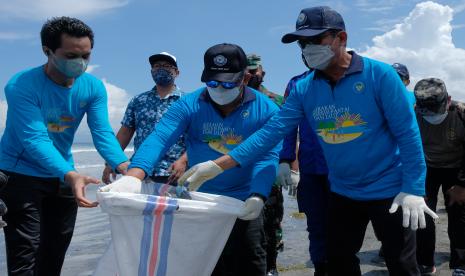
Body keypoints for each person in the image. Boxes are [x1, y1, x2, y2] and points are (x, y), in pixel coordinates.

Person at [178, 6, 439, 275]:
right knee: (337, 261)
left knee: (402, 263)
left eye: (316, 40)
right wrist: (219, 165)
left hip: (390, 189)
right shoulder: (304, 88)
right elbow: (272, 132)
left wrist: (414, 188)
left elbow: (407, 134)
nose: (308, 48)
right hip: (343, 191)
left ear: (341, 38)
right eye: (303, 43)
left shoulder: (379, 76)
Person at [103, 43, 282, 275]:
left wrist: (258, 194)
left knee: (249, 262)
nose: (219, 89)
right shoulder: (189, 104)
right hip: (199, 200)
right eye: (212, 82)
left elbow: (266, 156)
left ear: (245, 79)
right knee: (201, 266)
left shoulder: (267, 109)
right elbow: (160, 137)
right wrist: (135, 175)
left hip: (243, 199)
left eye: (228, 83)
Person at [0, 17, 129, 275]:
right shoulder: (21, 85)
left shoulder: (92, 86)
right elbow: (34, 139)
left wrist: (123, 164)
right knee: (26, 253)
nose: (80, 63)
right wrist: (70, 174)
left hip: (62, 175)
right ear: (47, 51)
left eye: (86, 55)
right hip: (20, 174)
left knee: (55, 249)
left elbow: (102, 131)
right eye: (71, 55)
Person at [102, 52, 187, 185]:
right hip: (140, 171)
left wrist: (184, 160)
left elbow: (196, 137)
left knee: (177, 207)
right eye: (157, 66)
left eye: (166, 66)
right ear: (151, 71)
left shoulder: (187, 101)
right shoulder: (138, 100)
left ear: (176, 72)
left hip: (175, 172)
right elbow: (125, 132)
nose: (161, 69)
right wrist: (111, 162)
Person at [279, 70, 330, 276]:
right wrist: (285, 159)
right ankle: (320, 268)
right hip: (312, 168)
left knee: (345, 228)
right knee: (316, 226)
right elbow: (287, 123)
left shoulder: (352, 77)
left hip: (347, 169)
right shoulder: (297, 83)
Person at [413, 78, 465, 275]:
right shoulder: (413, 114)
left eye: (437, 110)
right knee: (423, 215)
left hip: (457, 168)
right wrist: (414, 184)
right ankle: (425, 261)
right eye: (427, 111)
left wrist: (462, 185)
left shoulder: (461, 113)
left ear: (448, 100)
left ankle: (460, 264)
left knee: (459, 216)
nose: (432, 116)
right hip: (427, 168)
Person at [246, 53, 284, 276]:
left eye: (255, 70)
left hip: (270, 170)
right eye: (247, 71)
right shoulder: (233, 101)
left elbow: (289, 134)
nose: (251, 75)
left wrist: (290, 165)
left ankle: (272, 265)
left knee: (271, 220)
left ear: (263, 72)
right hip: (241, 171)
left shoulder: (276, 100)